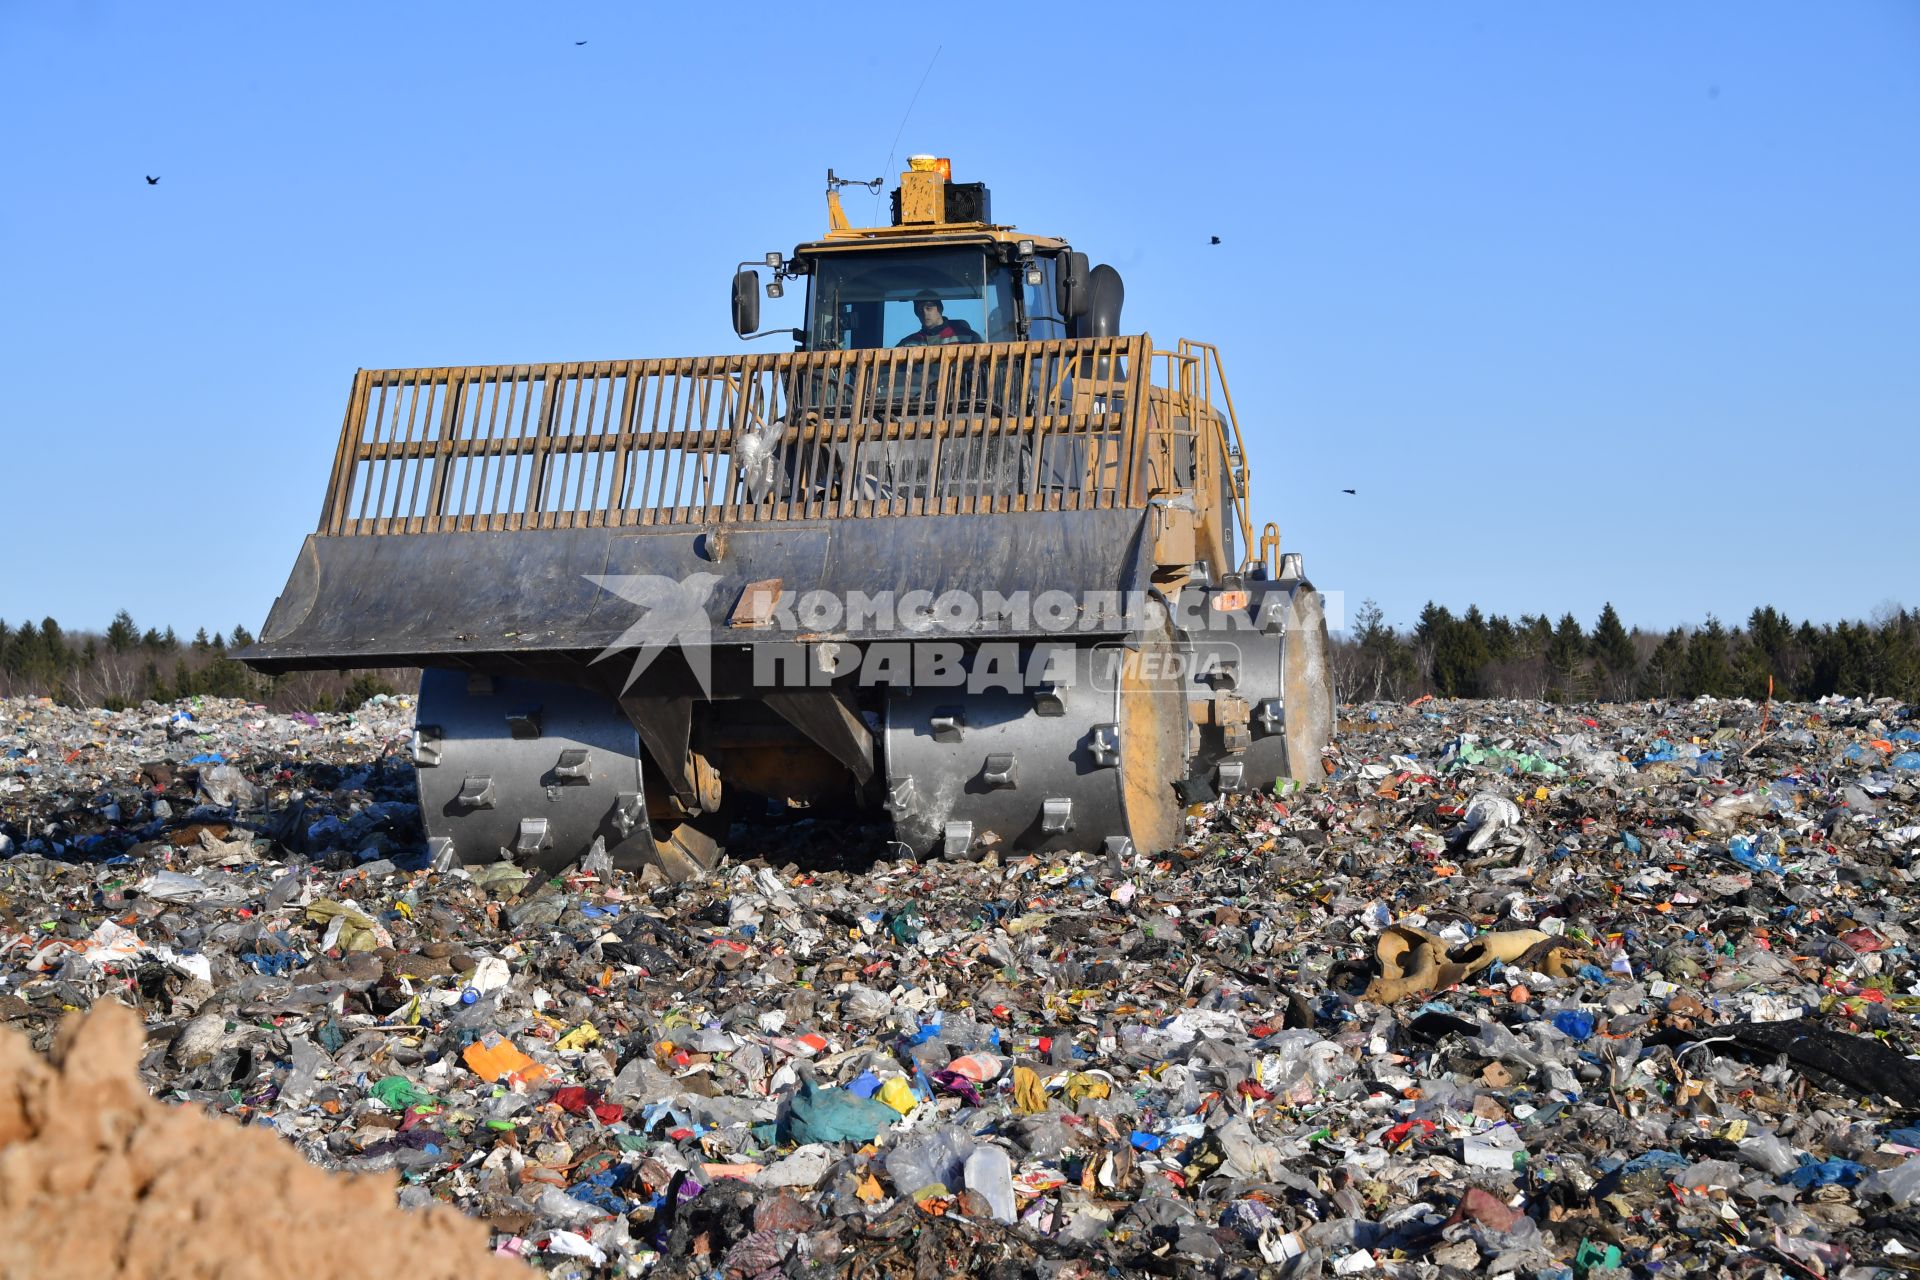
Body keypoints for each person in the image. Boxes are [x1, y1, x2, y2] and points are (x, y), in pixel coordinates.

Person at [897, 290, 981, 346]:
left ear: (940, 309)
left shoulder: (967, 337)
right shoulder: (907, 343)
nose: (925, 313)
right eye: (920, 310)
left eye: (929, 308)